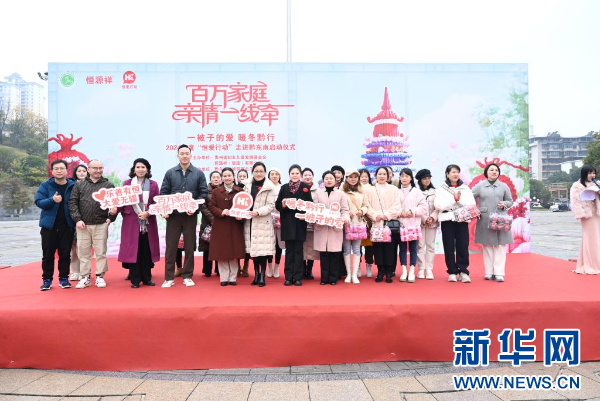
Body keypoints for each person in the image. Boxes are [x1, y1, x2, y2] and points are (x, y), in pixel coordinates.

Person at [160, 144, 208, 288]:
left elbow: (203, 194)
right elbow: (164, 193)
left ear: (191, 155)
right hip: (173, 216)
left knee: (189, 246)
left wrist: (195, 207)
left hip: (190, 216)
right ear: (178, 155)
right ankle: (169, 278)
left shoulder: (198, 173)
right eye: (182, 153)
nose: (185, 156)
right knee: (171, 247)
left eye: (187, 153)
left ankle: (187, 276)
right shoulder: (170, 173)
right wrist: (165, 209)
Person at [68, 159, 117, 289]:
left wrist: (111, 217)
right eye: (95, 168)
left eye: (100, 168)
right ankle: (85, 277)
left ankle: (100, 276)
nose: (98, 170)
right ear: (88, 169)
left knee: (101, 252)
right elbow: (73, 203)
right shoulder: (79, 184)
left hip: (101, 223)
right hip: (83, 225)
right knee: (83, 253)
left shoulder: (108, 185)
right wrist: (77, 219)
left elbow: (114, 203)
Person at [112, 158, 160, 288]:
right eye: (138, 167)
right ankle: (135, 280)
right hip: (131, 222)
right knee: (134, 250)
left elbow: (157, 203)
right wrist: (115, 210)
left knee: (146, 250)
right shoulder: (127, 184)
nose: (140, 169)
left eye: (143, 167)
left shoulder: (153, 184)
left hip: (148, 222)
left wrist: (148, 213)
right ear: (134, 169)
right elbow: (121, 201)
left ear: (147, 170)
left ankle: (147, 278)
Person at [35, 159, 76, 290]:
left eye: (61, 168)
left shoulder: (73, 185)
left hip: (67, 226)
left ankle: (64, 279)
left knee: (65, 254)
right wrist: (52, 200)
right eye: (56, 169)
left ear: (66, 170)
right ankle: (47, 280)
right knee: (48, 255)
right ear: (52, 171)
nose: (59, 171)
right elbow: (39, 202)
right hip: (49, 227)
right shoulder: (45, 185)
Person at [434, 164, 476, 283]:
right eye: (453, 172)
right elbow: (438, 205)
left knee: (463, 245)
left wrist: (459, 199)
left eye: (457, 172)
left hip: (462, 219)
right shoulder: (441, 189)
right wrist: (453, 200)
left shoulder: (465, 188)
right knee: (449, 246)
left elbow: (471, 203)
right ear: (447, 174)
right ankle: (452, 271)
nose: (455, 174)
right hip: (447, 219)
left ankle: (463, 271)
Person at [472, 163, 513, 282]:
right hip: (485, 218)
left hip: (501, 219)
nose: (494, 172)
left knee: (500, 246)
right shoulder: (480, 185)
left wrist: (504, 204)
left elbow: (510, 201)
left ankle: (499, 273)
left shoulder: (504, 186)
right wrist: (475, 210)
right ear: (486, 172)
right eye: (491, 170)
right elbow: (469, 197)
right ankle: (489, 272)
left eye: (496, 170)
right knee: (487, 246)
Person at [276, 164, 313, 286]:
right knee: (289, 251)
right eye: (292, 173)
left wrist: (303, 210)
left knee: (298, 251)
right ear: (289, 175)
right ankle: (288, 277)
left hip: (300, 223)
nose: (295, 175)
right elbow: (277, 204)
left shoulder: (305, 187)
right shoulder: (284, 188)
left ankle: (298, 277)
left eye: (297, 173)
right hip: (287, 223)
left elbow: (310, 205)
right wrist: (283, 205)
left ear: (300, 175)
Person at [208, 168, 246, 286]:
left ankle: (233, 277)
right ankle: (224, 277)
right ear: (222, 178)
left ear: (233, 177)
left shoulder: (240, 191)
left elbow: (245, 207)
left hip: (235, 224)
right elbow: (211, 206)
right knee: (222, 252)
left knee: (234, 252)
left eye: (229, 175)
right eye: (225, 176)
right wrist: (221, 212)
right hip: (221, 224)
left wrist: (241, 216)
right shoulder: (216, 191)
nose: (227, 178)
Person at [313, 171, 350, 285]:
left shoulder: (341, 194)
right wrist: (316, 220)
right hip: (322, 227)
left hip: (335, 227)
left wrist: (345, 218)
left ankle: (333, 278)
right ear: (323, 180)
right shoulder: (318, 193)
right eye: (326, 178)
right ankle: (324, 279)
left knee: (334, 254)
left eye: (331, 178)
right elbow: (314, 209)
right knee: (324, 254)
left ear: (335, 180)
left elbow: (345, 210)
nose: (329, 180)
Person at [243, 162, 276, 287]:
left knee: (262, 251)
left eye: (261, 171)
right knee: (254, 251)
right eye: (256, 171)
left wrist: (258, 212)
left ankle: (262, 275)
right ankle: (256, 275)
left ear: (265, 173)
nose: (258, 173)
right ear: (252, 172)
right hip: (249, 221)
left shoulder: (269, 186)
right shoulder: (246, 185)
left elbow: (271, 205)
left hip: (263, 222)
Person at [365, 166, 400, 283]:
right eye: (379, 174)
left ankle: (389, 272)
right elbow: (367, 206)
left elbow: (397, 205)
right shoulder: (370, 190)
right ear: (375, 175)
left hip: (389, 224)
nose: (382, 176)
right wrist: (376, 215)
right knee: (378, 248)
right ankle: (380, 271)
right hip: (376, 223)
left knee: (390, 248)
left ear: (388, 176)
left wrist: (387, 215)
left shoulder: (394, 189)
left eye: (384, 174)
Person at [397, 168, 426, 283]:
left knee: (413, 248)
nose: (404, 178)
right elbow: (393, 206)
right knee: (402, 248)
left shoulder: (417, 191)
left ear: (411, 178)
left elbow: (423, 207)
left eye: (407, 176)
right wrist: (400, 213)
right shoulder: (396, 191)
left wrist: (412, 211)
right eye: (402, 176)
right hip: (401, 224)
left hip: (414, 224)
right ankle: (404, 270)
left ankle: (412, 270)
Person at [341, 168, 371, 284]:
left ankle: (355, 274)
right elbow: (338, 205)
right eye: (350, 177)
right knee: (347, 249)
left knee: (357, 248)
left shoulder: (362, 190)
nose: (353, 179)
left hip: (358, 223)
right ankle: (349, 273)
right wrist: (346, 213)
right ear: (346, 178)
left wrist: (361, 211)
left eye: (355, 177)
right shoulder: (341, 191)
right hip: (346, 223)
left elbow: (366, 205)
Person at [570, 165, 600, 274]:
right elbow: (575, 201)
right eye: (590, 173)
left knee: (597, 238)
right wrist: (581, 214)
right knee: (589, 238)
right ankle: (590, 264)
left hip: (596, 213)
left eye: (594, 173)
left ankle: (593, 263)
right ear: (584, 174)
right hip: (587, 215)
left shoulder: (596, 184)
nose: (593, 175)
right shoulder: (577, 186)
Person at [416, 169, 438, 280]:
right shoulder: (415, 191)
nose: (427, 180)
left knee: (431, 246)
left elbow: (438, 207)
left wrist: (432, 217)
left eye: (429, 178)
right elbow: (415, 207)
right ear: (420, 180)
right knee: (420, 246)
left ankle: (429, 269)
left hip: (432, 223)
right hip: (419, 222)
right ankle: (421, 268)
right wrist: (424, 218)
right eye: (424, 178)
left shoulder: (435, 191)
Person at [199, 171, 221, 278]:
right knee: (207, 247)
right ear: (210, 179)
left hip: (221, 221)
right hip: (207, 222)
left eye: (218, 177)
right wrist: (212, 218)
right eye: (213, 177)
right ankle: (207, 270)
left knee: (219, 247)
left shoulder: (223, 190)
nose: (216, 179)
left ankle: (219, 269)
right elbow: (202, 206)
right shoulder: (205, 191)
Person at [69, 164, 88, 281]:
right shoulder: (71, 185)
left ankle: (84, 271)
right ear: (75, 173)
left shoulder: (92, 185)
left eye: (84, 171)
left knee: (83, 248)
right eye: (79, 171)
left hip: (88, 221)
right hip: (73, 220)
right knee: (74, 247)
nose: (81, 173)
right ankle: (75, 271)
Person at [267, 168, 284, 278]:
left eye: (276, 174)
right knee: (269, 245)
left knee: (279, 245)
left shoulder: (283, 188)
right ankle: (269, 267)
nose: (274, 176)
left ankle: (276, 267)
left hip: (281, 219)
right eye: (272, 174)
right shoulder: (266, 187)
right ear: (268, 176)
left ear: (280, 176)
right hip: (268, 219)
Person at [302, 167, 319, 279]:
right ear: (302, 177)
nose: (308, 177)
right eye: (305, 175)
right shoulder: (299, 188)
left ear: (312, 176)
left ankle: (310, 269)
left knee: (312, 247)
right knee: (302, 246)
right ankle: (303, 269)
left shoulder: (318, 191)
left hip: (313, 222)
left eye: (309, 175)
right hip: (301, 222)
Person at [359, 168, 374, 278]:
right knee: (357, 245)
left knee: (370, 246)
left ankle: (369, 266)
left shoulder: (373, 189)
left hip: (370, 220)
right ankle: (358, 267)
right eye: (362, 176)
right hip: (358, 220)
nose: (364, 178)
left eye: (366, 176)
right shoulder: (355, 189)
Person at [235, 169, 251, 277]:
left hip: (247, 221)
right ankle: (237, 267)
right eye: (240, 176)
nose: (242, 178)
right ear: (237, 178)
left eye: (244, 176)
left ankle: (245, 266)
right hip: (235, 220)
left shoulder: (249, 188)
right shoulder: (234, 188)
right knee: (236, 244)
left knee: (247, 245)